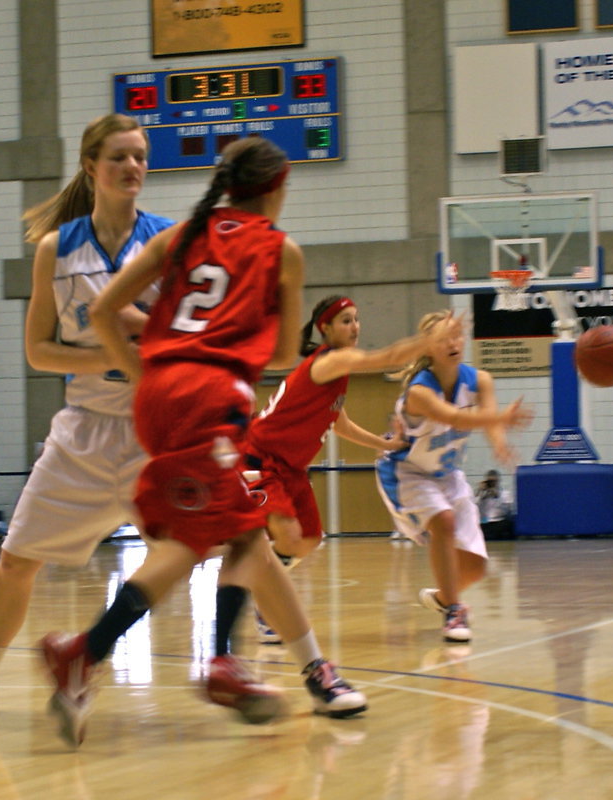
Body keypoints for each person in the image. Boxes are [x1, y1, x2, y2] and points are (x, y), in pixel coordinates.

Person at [37, 136, 366, 747]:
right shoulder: (281, 251)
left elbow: (103, 313)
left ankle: (211, 659)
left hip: (159, 398)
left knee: (239, 530)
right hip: (214, 398)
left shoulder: (178, 237)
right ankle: (93, 651)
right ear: (277, 188)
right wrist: (231, 347)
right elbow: (288, 353)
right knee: (197, 544)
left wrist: (147, 377)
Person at [0, 114, 174, 716]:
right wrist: (112, 351)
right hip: (83, 428)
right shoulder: (59, 249)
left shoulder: (167, 243)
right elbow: (38, 350)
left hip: (151, 433)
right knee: (15, 559)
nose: (132, 167)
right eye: (119, 157)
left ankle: (272, 664)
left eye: (139, 156)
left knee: (209, 548)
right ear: (91, 167)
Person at [241, 296, 461, 642]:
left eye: (357, 319)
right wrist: (432, 340)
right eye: (346, 320)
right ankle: (264, 600)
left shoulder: (337, 373)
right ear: (325, 328)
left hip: (292, 467)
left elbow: (338, 422)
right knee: (288, 535)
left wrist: (383, 443)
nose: (355, 326)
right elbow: (387, 357)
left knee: (310, 540)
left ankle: (262, 578)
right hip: (259, 457)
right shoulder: (330, 360)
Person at [377, 310, 533, 643]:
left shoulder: (480, 380)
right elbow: (455, 418)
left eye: (457, 335)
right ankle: (454, 611)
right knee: (444, 521)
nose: (453, 343)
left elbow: (487, 421)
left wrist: (500, 444)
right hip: (408, 472)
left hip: (447, 475)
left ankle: (444, 597)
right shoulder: (420, 392)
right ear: (428, 348)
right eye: (444, 338)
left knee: (476, 567)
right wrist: (502, 417)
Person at [474, 469, 513, 540]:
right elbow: (472, 507)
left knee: (508, 525)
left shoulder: (505, 494)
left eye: (493, 481)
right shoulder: (481, 494)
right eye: (489, 482)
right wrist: (479, 492)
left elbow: (507, 511)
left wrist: (497, 495)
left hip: (498, 521)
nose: (491, 484)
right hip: (484, 522)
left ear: (498, 481)